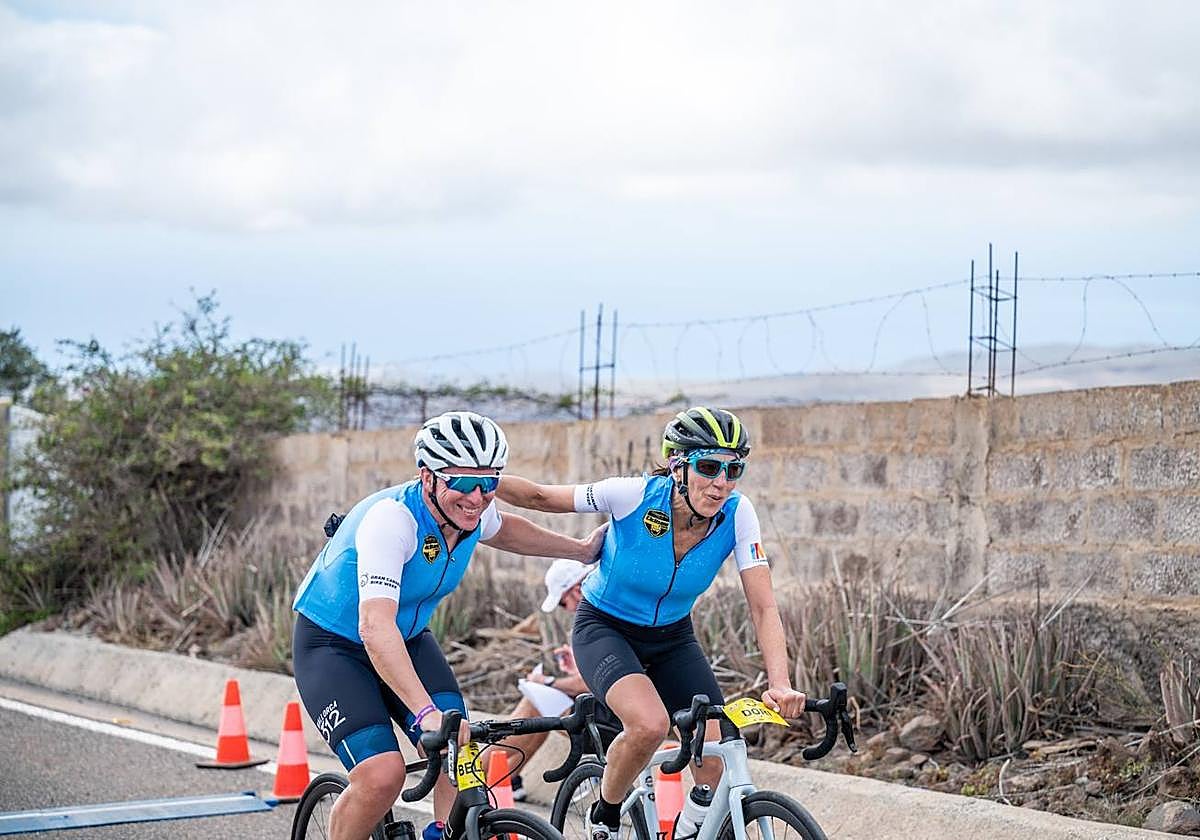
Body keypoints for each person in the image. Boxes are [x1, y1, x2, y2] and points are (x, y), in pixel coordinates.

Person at [292, 411, 606, 840]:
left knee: (460, 751)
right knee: (383, 775)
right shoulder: (393, 520)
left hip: (407, 638)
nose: (476, 496)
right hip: (336, 646)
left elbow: (508, 530)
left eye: (490, 483)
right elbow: (374, 627)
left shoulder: (469, 513)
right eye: (462, 482)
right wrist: (424, 713)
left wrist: (580, 550)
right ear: (428, 477)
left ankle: (444, 833)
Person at [498, 407, 808, 840]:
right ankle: (604, 812)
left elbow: (764, 607)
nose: (721, 482)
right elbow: (540, 497)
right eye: (708, 466)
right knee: (649, 725)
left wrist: (780, 682)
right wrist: (473, 483)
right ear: (678, 465)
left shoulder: (738, 513)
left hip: (672, 638)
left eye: (733, 469)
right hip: (605, 628)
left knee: (715, 751)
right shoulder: (632, 495)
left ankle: (690, 825)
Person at [499, 559, 622, 802]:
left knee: (537, 701)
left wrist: (547, 682)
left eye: (564, 602)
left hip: (615, 723)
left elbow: (591, 684)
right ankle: (506, 776)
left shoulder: (597, 619)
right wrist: (578, 667)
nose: (567, 610)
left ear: (577, 590)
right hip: (624, 712)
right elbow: (604, 676)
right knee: (540, 704)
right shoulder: (613, 608)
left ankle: (479, 770)